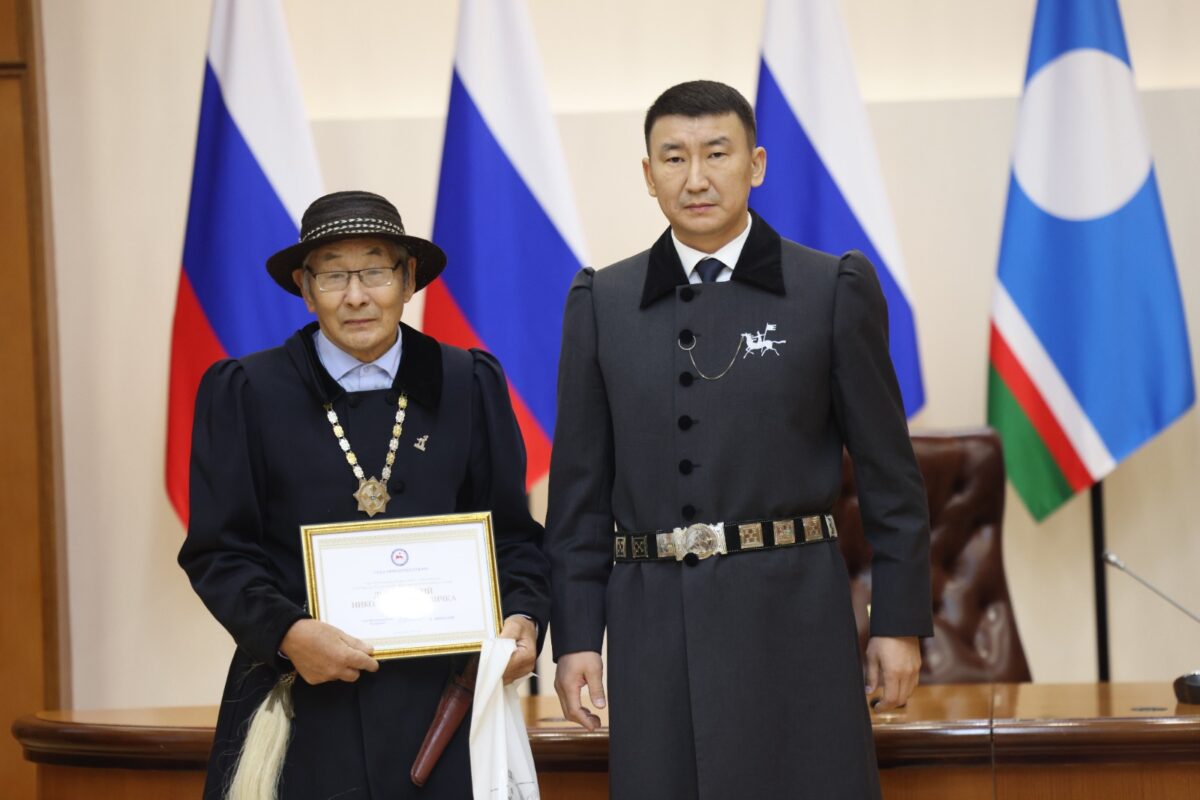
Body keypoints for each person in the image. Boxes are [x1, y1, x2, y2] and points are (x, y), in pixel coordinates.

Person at [545, 80, 932, 799]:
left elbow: (891, 479)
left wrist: (899, 623)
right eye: (674, 158)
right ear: (647, 174)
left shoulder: (830, 288)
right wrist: (573, 639)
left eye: (717, 153)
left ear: (754, 164)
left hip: (797, 620)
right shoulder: (601, 302)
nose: (696, 178)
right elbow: (578, 498)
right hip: (651, 626)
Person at [179, 190, 550, 799]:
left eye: (376, 270)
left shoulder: (469, 383)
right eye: (333, 275)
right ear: (304, 286)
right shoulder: (247, 390)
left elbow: (512, 537)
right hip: (297, 706)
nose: (356, 295)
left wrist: (525, 619)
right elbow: (218, 553)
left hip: (444, 711)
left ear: (408, 280)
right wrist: (288, 635)